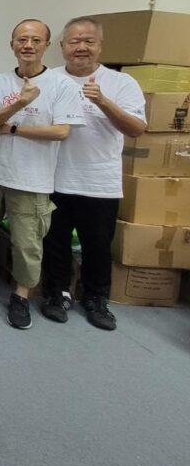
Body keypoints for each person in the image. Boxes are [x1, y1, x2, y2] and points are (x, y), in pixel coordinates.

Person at [0, 19, 84, 330]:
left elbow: (61, 131)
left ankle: (21, 294)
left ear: (47, 46)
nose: (28, 45)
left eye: (35, 40)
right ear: (12, 45)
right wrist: (20, 104)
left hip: (32, 178)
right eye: (22, 39)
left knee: (27, 241)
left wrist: (13, 128)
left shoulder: (62, 85)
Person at [43, 17, 146, 330]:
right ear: (62, 46)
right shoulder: (49, 79)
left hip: (100, 182)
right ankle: (57, 293)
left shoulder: (121, 83)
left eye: (88, 41)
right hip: (53, 177)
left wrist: (102, 100)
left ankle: (96, 299)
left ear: (100, 46)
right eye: (74, 41)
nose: (81, 47)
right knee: (55, 242)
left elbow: (136, 128)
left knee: (97, 246)